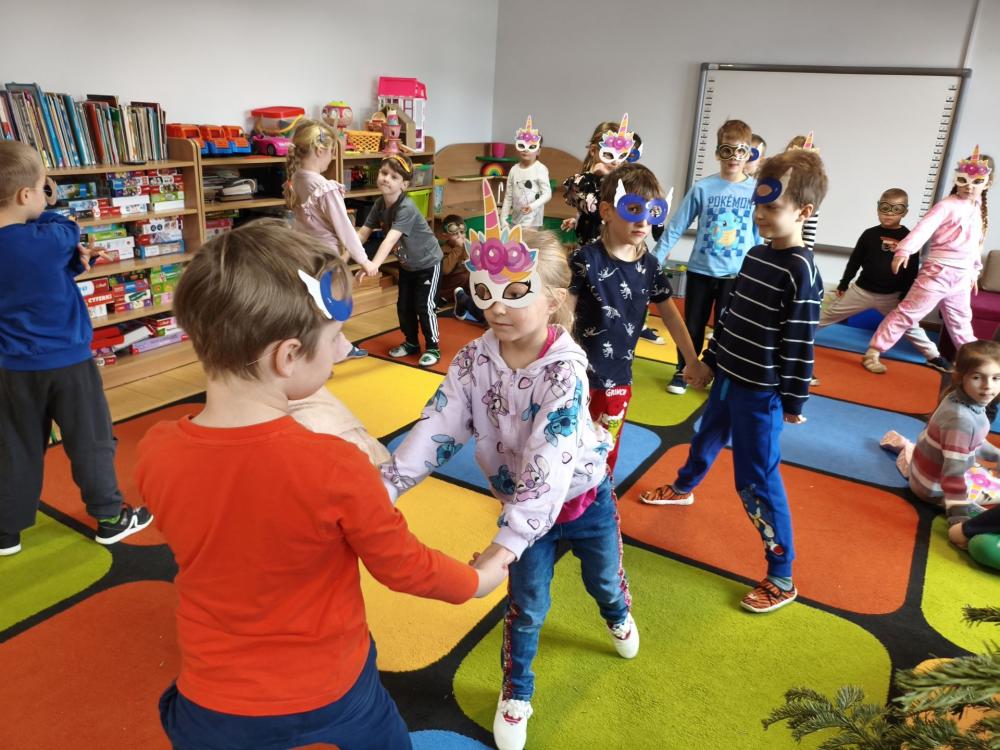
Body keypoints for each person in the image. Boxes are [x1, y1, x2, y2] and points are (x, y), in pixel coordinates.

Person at [137, 221, 507, 750]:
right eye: (334, 338)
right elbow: (405, 567)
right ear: (287, 357)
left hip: (211, 703)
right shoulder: (336, 465)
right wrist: (478, 580)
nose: (343, 349)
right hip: (332, 689)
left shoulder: (155, 449)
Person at [379, 183, 635, 750]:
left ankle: (618, 611)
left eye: (515, 292)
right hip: (521, 513)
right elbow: (441, 423)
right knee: (525, 608)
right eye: (484, 291)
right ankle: (517, 691)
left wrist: (504, 546)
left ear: (554, 299)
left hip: (583, 501)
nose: (496, 306)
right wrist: (389, 484)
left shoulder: (565, 370)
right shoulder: (473, 359)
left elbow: (550, 457)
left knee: (602, 579)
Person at [640, 148, 828, 614]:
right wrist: (707, 361)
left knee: (756, 479)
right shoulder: (755, 255)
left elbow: (800, 342)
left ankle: (781, 575)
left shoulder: (802, 272)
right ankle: (683, 487)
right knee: (704, 435)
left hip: (761, 393)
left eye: (772, 207)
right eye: (758, 206)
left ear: (804, 211)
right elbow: (730, 317)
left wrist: (794, 400)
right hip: (728, 376)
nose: (760, 215)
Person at [0, 140, 153, 556]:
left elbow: (31, 278)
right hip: (68, 363)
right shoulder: (50, 235)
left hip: (12, 368)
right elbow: (66, 227)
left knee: (15, 447)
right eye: (41, 187)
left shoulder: (39, 244)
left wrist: (71, 261)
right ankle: (109, 517)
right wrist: (52, 205)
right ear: (25, 195)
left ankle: (6, 532)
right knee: (91, 441)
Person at [570, 163, 712, 474]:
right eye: (633, 209)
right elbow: (562, 317)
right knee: (567, 446)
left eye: (653, 212)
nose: (644, 221)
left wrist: (691, 360)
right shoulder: (584, 260)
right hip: (574, 378)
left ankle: (600, 497)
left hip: (618, 381)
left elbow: (672, 316)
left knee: (605, 450)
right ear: (607, 211)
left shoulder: (650, 266)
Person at [653, 118, 761, 395]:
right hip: (701, 271)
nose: (733, 157)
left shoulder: (755, 192)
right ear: (717, 153)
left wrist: (762, 271)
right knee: (692, 326)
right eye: (727, 150)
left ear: (748, 154)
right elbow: (677, 225)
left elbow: (759, 234)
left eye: (740, 151)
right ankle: (685, 369)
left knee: (729, 329)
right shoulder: (703, 188)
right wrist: (655, 258)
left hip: (736, 274)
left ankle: (720, 374)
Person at [864, 147, 993, 374]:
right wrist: (904, 250)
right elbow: (924, 228)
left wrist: (974, 272)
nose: (969, 186)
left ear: (987, 183)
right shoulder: (947, 205)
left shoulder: (978, 209)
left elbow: (975, 245)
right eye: (963, 180)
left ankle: (975, 366)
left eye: (977, 181)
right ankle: (873, 351)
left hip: (961, 278)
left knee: (962, 323)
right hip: (938, 272)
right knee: (907, 313)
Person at [816, 188, 951, 379]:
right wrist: (843, 284)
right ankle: (795, 336)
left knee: (909, 325)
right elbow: (854, 261)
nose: (888, 214)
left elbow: (911, 270)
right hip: (861, 291)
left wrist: (905, 295)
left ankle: (933, 356)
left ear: (904, 212)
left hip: (891, 296)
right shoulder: (869, 235)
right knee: (828, 315)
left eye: (896, 209)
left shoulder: (909, 238)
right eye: (884, 208)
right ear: (878, 208)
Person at [880, 340, 1000, 526]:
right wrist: (958, 518)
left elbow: (973, 442)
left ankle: (906, 447)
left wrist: (997, 455)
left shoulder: (958, 397)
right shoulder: (961, 420)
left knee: (970, 464)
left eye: (996, 378)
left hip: (922, 473)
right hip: (934, 491)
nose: (988, 386)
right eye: (977, 377)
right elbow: (953, 474)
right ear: (960, 377)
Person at [285, 118, 377, 361]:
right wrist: (364, 261)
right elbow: (345, 228)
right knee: (331, 308)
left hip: (304, 254)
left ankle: (339, 348)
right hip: (326, 258)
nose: (332, 158)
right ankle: (320, 356)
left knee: (316, 305)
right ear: (319, 150)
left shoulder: (297, 178)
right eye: (332, 152)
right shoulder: (323, 186)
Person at [359, 154, 444, 367]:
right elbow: (362, 233)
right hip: (407, 265)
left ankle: (433, 347)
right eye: (384, 173)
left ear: (404, 185)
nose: (386, 178)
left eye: (394, 177)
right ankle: (411, 343)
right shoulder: (379, 204)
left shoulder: (406, 207)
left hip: (428, 263)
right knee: (404, 306)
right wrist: (347, 259)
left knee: (424, 305)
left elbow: (389, 240)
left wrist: (374, 265)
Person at [500, 115, 551, 229]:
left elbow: (547, 194)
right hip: (515, 220)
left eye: (531, 146)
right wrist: (503, 219)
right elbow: (508, 196)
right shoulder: (514, 170)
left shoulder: (540, 169)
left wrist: (532, 206)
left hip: (532, 223)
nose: (526, 149)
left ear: (538, 151)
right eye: (522, 145)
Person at [785, 133, 821, 250]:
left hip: (794, 251)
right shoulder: (778, 191)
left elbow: (809, 238)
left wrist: (804, 255)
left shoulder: (811, 198)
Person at [436, 213, 472, 309]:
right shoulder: (443, 250)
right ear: (445, 236)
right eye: (455, 234)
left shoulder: (468, 246)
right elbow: (446, 270)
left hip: (463, 285)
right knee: (464, 276)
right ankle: (442, 298)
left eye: (462, 232)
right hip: (447, 286)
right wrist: (458, 248)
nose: (460, 236)